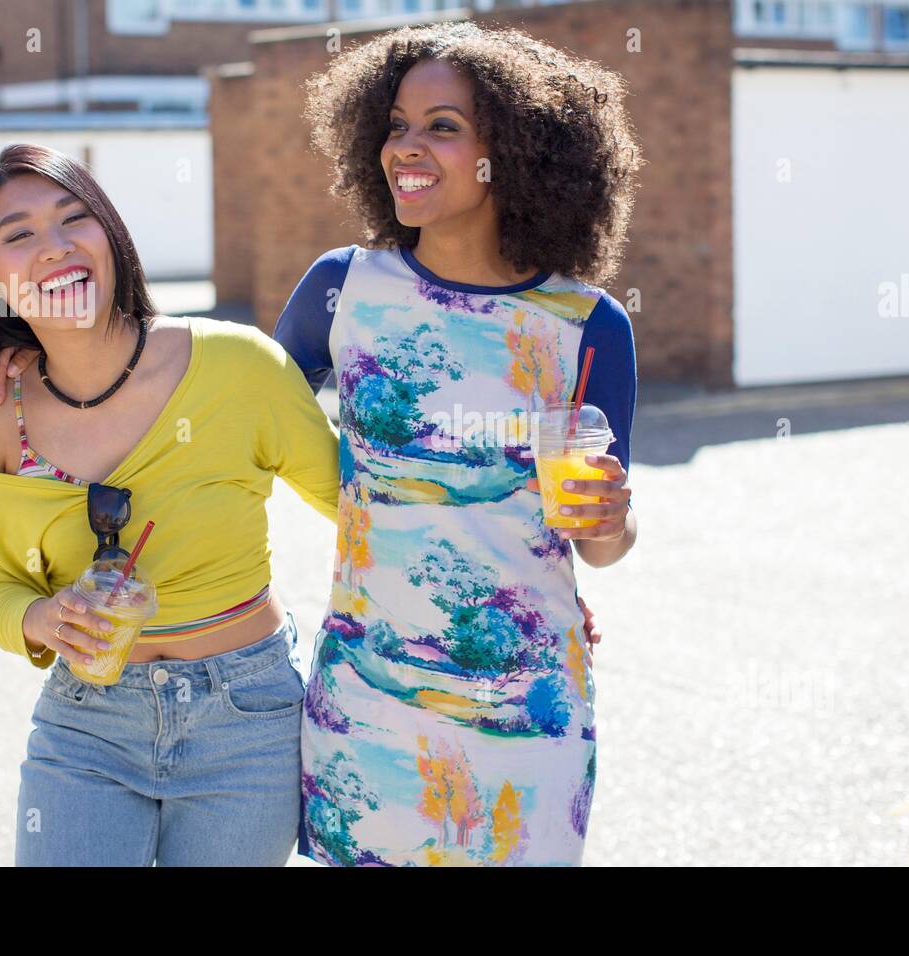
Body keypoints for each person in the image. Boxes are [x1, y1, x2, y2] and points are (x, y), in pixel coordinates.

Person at [0, 143, 341, 866]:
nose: (56, 247)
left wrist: (524, 583)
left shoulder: (241, 367)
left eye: (76, 219)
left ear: (110, 234)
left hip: (247, 721)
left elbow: (371, 514)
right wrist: (45, 617)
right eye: (20, 234)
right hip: (89, 726)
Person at [272, 21, 643, 866]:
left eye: (443, 126)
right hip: (369, 705)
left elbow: (604, 543)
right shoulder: (342, 288)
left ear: (514, 152)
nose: (408, 145)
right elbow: (236, 419)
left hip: (529, 713)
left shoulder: (589, 326)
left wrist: (613, 522)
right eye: (397, 124)